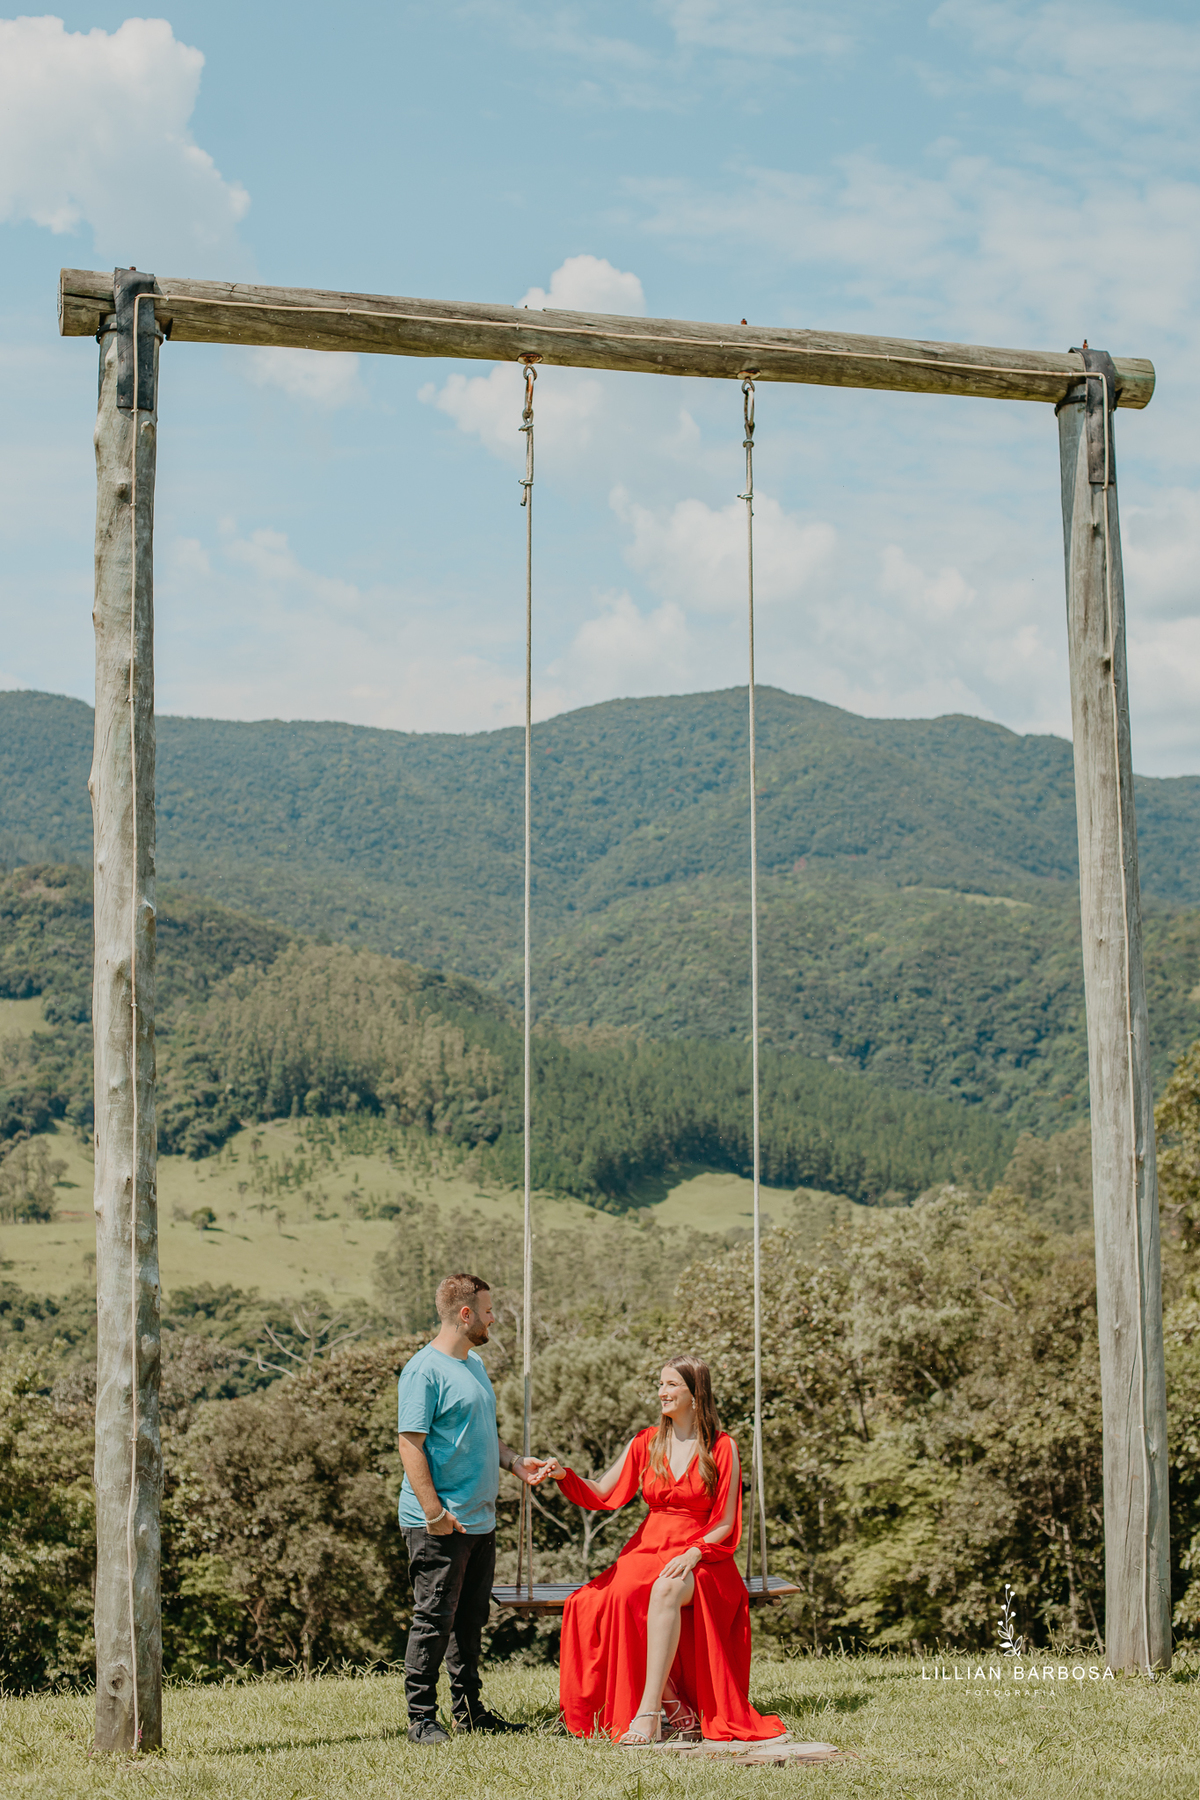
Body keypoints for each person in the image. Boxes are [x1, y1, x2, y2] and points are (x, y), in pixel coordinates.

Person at [544, 1354, 786, 1746]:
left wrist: (695, 1552)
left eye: (672, 1384)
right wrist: (563, 1475)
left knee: (666, 1589)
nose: (662, 1391)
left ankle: (649, 1712)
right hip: (648, 1547)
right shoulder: (647, 1442)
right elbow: (604, 1492)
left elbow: (725, 1520)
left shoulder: (723, 1448)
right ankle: (674, 1704)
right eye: (660, 1384)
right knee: (600, 1602)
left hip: (705, 1555)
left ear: (696, 1393)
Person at [397, 1271, 549, 1744]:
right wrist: (434, 1513)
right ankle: (422, 1718)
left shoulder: (475, 1365)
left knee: (470, 1621)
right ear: (465, 1315)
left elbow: (482, 1437)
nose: (492, 1318)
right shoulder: (423, 1370)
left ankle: (470, 1711)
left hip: (480, 1518)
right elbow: (410, 1444)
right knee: (434, 1618)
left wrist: (515, 1462)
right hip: (441, 1522)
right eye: (486, 1310)